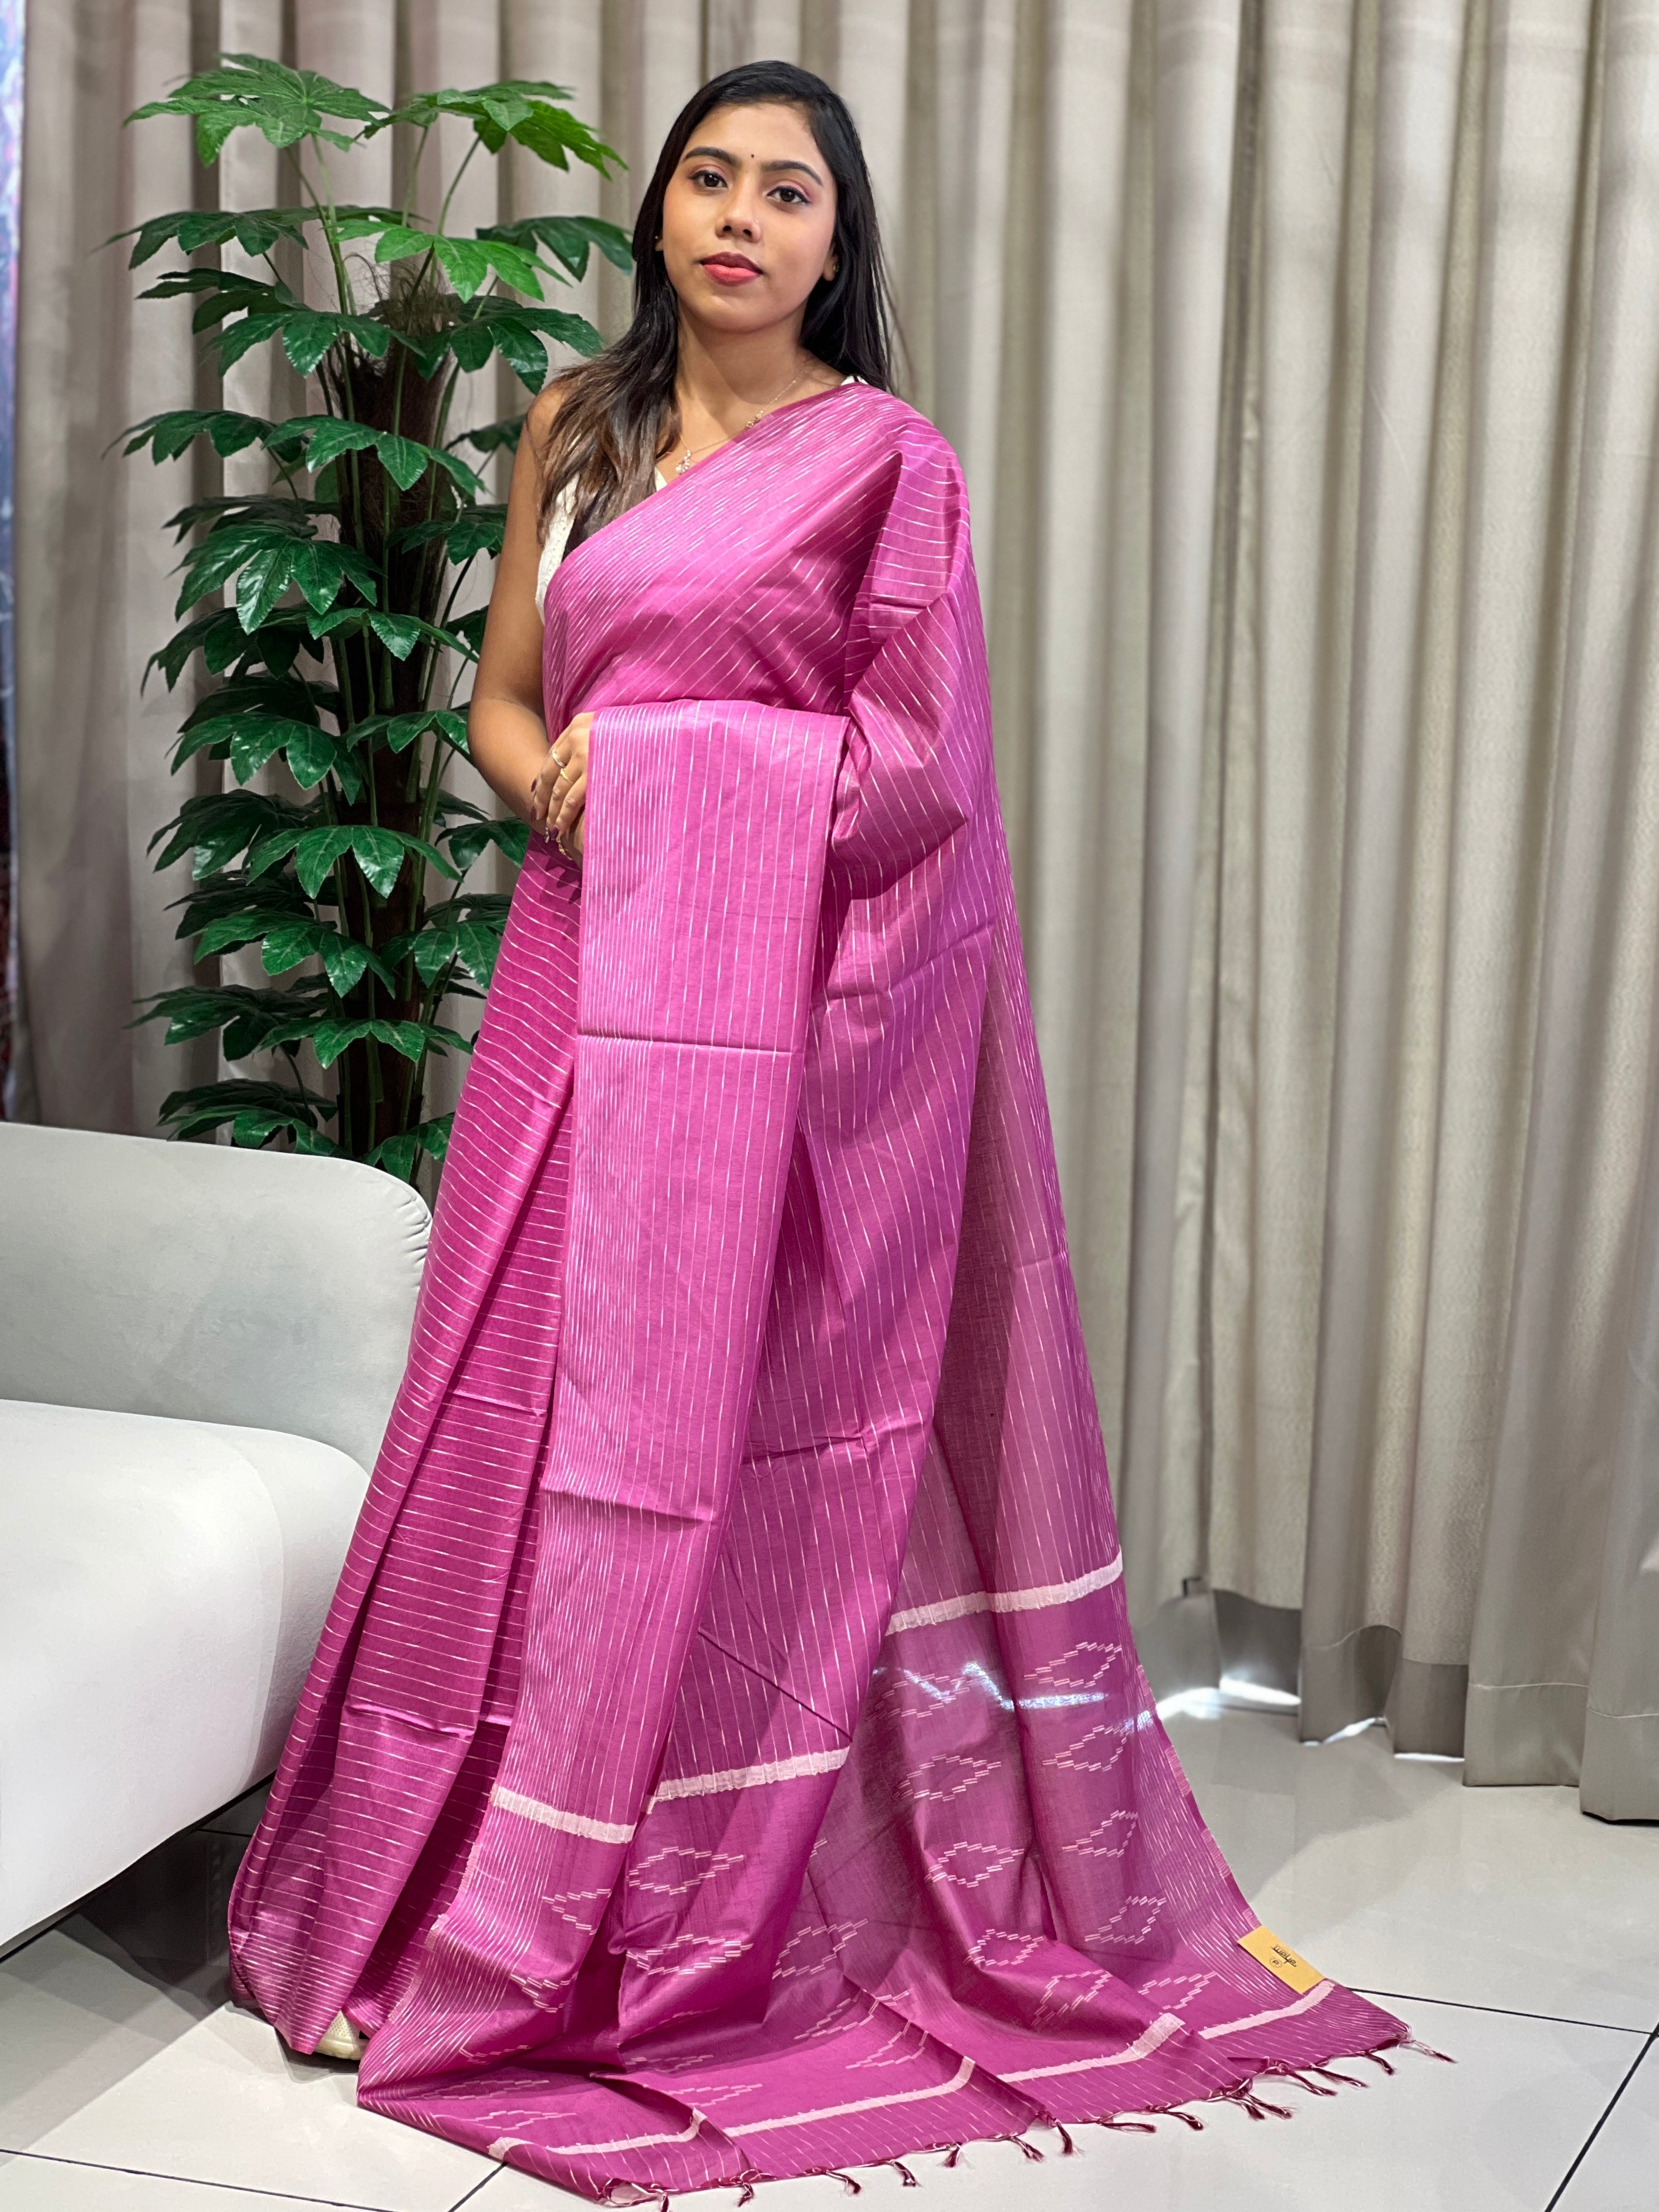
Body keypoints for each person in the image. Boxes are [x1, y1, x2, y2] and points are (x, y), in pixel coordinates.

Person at [228, 60, 1412, 2200]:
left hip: (779, 1020)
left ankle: (679, 1895)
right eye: (709, 178)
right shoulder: (574, 431)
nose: (740, 218)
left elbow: (915, 770)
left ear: (837, 244)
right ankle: (435, 1893)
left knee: (737, 1438)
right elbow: (504, 694)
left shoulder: (888, 466)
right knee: (516, 1406)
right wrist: (561, 785)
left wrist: (685, 783)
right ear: (658, 213)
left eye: (789, 192)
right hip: (580, 974)